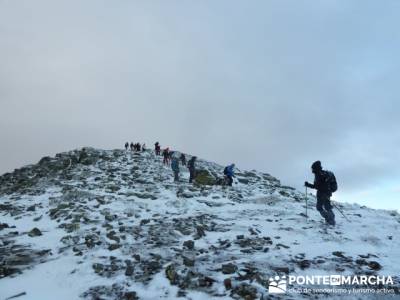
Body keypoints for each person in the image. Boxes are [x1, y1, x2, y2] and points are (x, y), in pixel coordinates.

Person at [305, 161, 336, 226]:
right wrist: (308, 185)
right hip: (325, 193)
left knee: (322, 207)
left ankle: (331, 220)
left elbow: (317, 186)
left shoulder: (320, 175)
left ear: (316, 168)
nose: (312, 170)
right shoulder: (322, 174)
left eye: (313, 168)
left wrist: (308, 185)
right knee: (325, 207)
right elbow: (318, 186)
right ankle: (330, 219)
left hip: (323, 194)